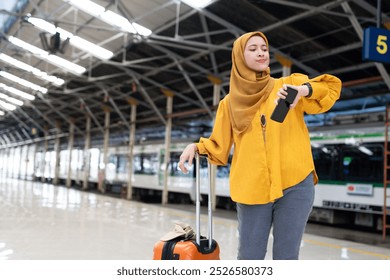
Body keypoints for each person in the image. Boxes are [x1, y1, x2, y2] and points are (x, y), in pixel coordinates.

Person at [178, 31, 342, 260]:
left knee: (287, 256)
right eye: (252, 49)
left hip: (295, 184)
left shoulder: (289, 85)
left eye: (264, 48)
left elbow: (330, 88)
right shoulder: (229, 104)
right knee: (249, 257)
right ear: (239, 57)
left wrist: (303, 91)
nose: (261, 52)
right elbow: (218, 145)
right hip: (252, 188)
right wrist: (196, 147)